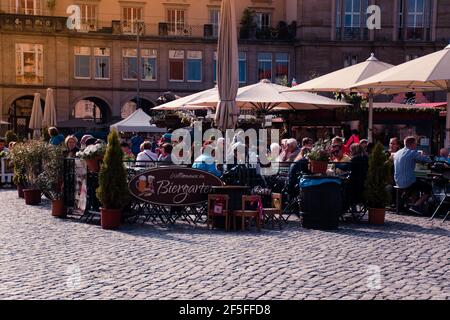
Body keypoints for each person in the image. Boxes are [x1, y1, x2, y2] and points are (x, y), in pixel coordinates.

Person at [394, 136, 432, 215]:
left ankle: (407, 204)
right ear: (411, 144)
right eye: (415, 143)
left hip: (397, 181)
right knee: (429, 188)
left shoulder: (397, 153)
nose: (416, 145)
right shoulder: (412, 153)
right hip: (408, 182)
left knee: (415, 183)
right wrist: (422, 154)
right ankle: (415, 206)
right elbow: (428, 160)